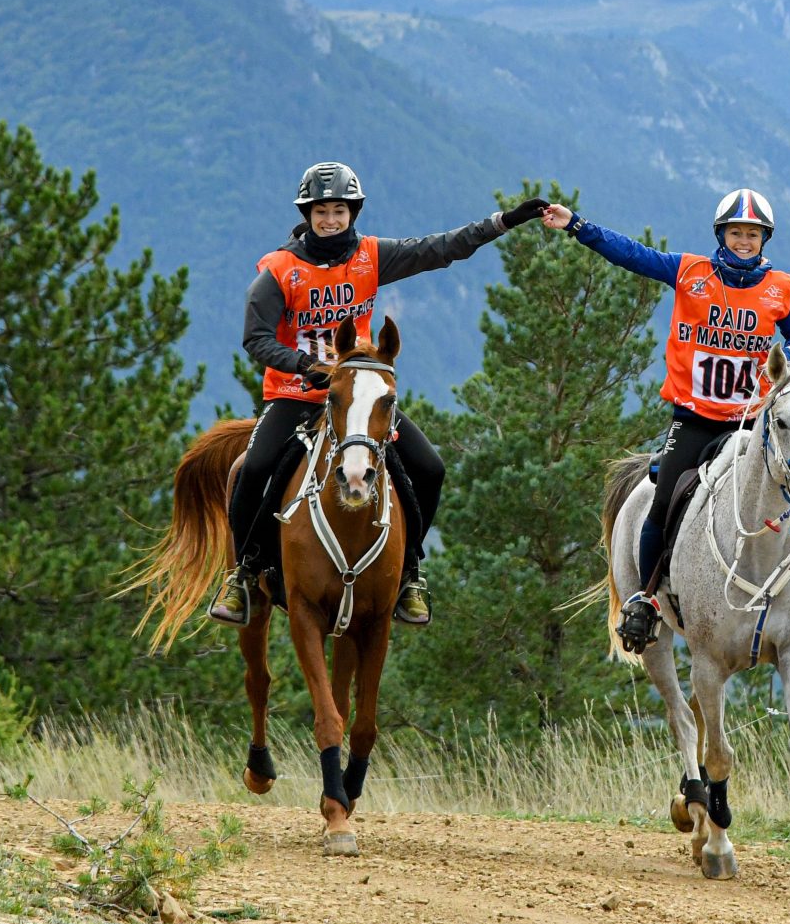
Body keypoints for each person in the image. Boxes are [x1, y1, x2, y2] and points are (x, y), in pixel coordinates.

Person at [212, 162, 547, 628]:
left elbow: (440, 248)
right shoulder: (279, 271)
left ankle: (410, 574)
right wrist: (304, 365)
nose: (331, 220)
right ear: (307, 215)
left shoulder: (371, 256)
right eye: (321, 211)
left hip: (359, 396)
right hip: (295, 393)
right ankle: (244, 573)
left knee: (429, 468)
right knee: (254, 469)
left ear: (353, 212)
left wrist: (504, 221)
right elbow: (256, 338)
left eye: (339, 211)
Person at [541, 189, 790, 650]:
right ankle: (646, 599)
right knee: (663, 501)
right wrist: (577, 226)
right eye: (736, 232)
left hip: (751, 421)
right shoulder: (689, 272)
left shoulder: (781, 286)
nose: (744, 241)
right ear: (721, 235)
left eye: (753, 234)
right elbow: (632, 254)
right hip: (695, 418)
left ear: (764, 239)